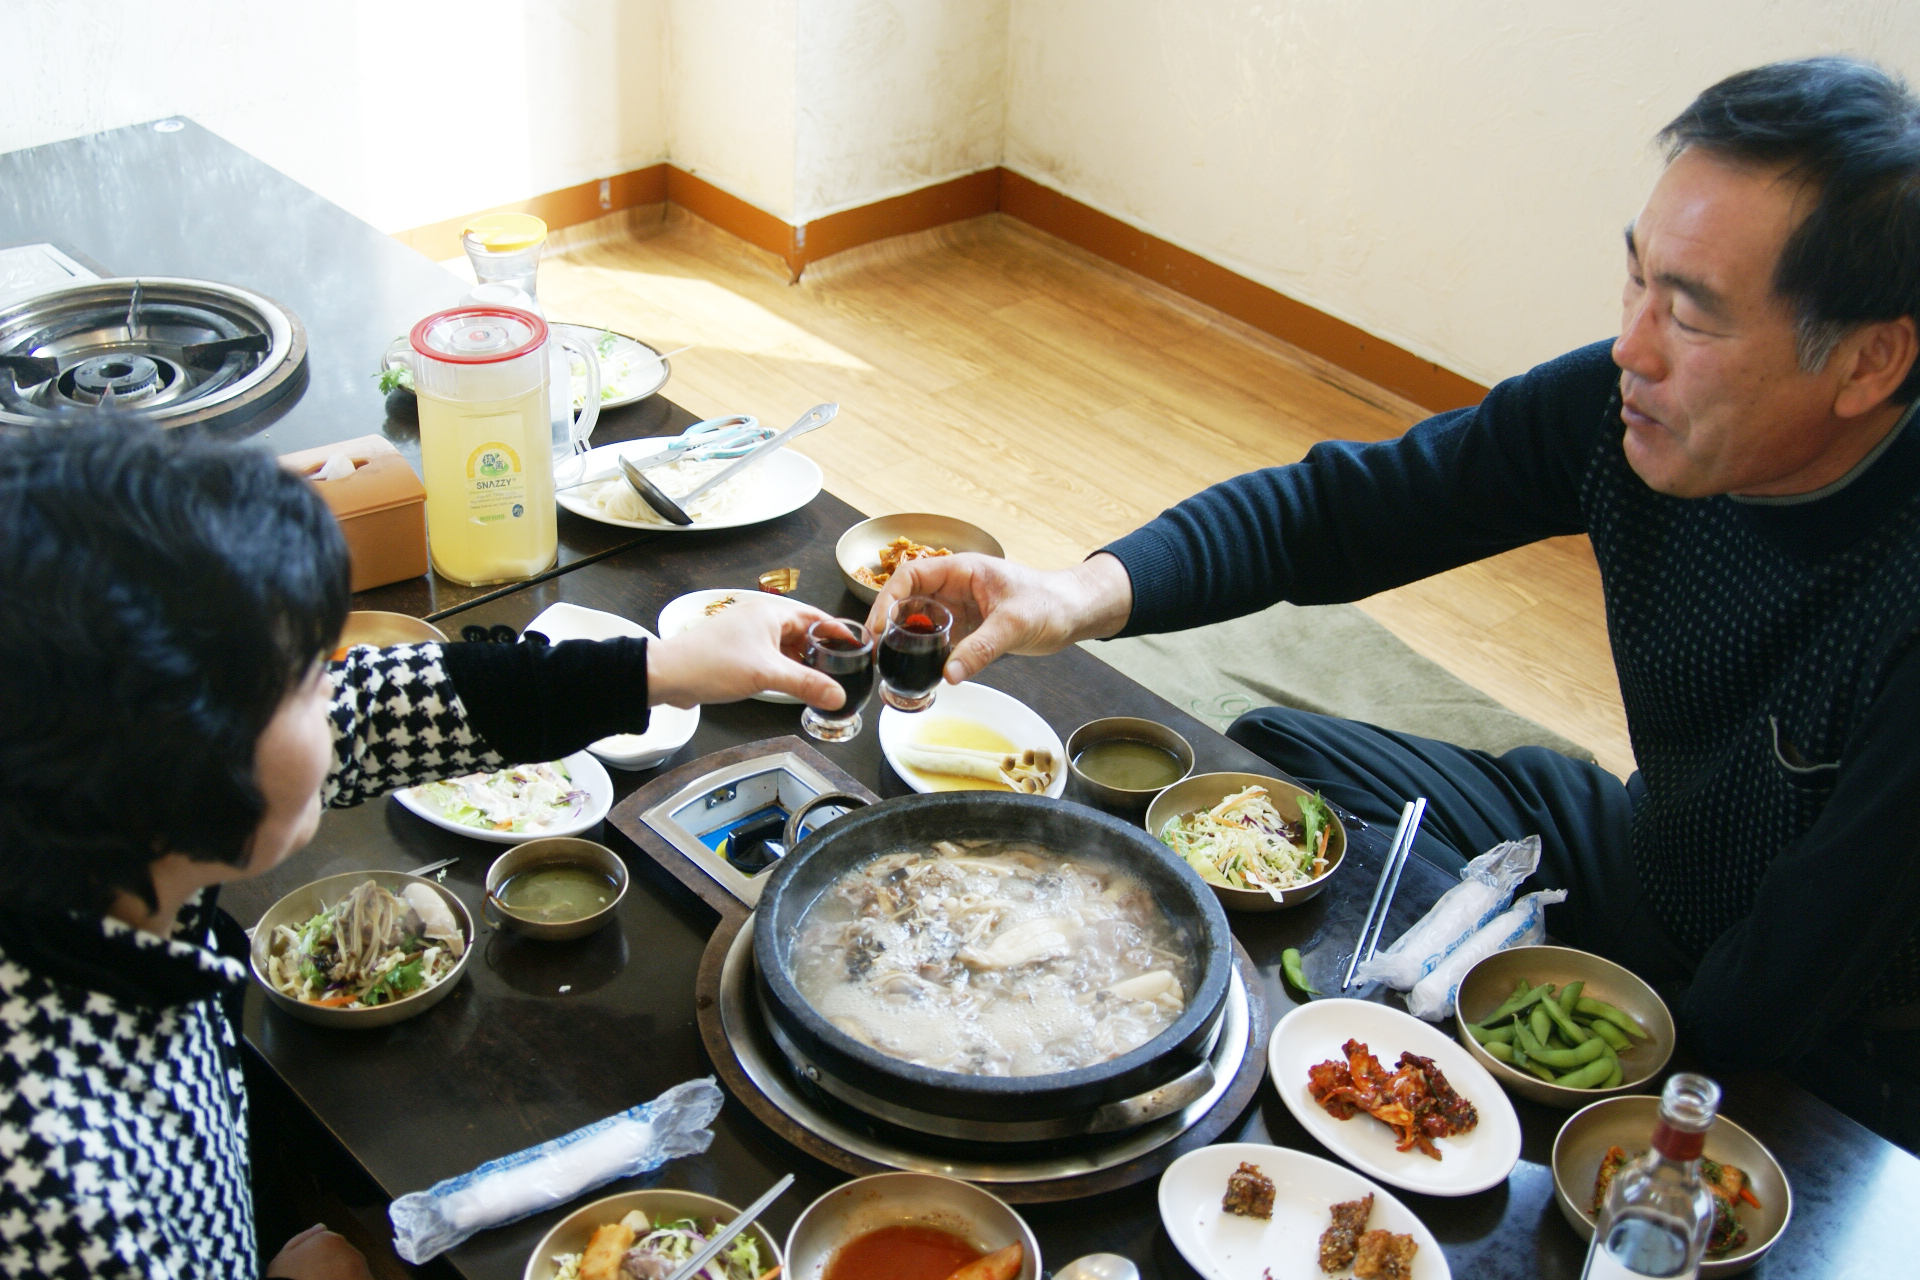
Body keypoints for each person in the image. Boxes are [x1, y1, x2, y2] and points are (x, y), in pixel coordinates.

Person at [870, 56, 1920, 1151]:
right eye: (1636, 281)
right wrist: (1075, 591)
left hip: (1836, 1033)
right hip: (1657, 858)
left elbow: (1790, 978)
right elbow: (1349, 508)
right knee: (1272, 777)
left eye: (1692, 318)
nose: (1631, 346)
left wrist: (1530, 1057)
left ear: (1869, 362)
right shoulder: (1627, 407)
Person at [0, 418, 846, 1280]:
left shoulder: (83, 841)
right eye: (304, 678)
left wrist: (660, 668)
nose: (338, 694)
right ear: (176, 754)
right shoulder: (67, 1187)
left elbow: (379, 709)